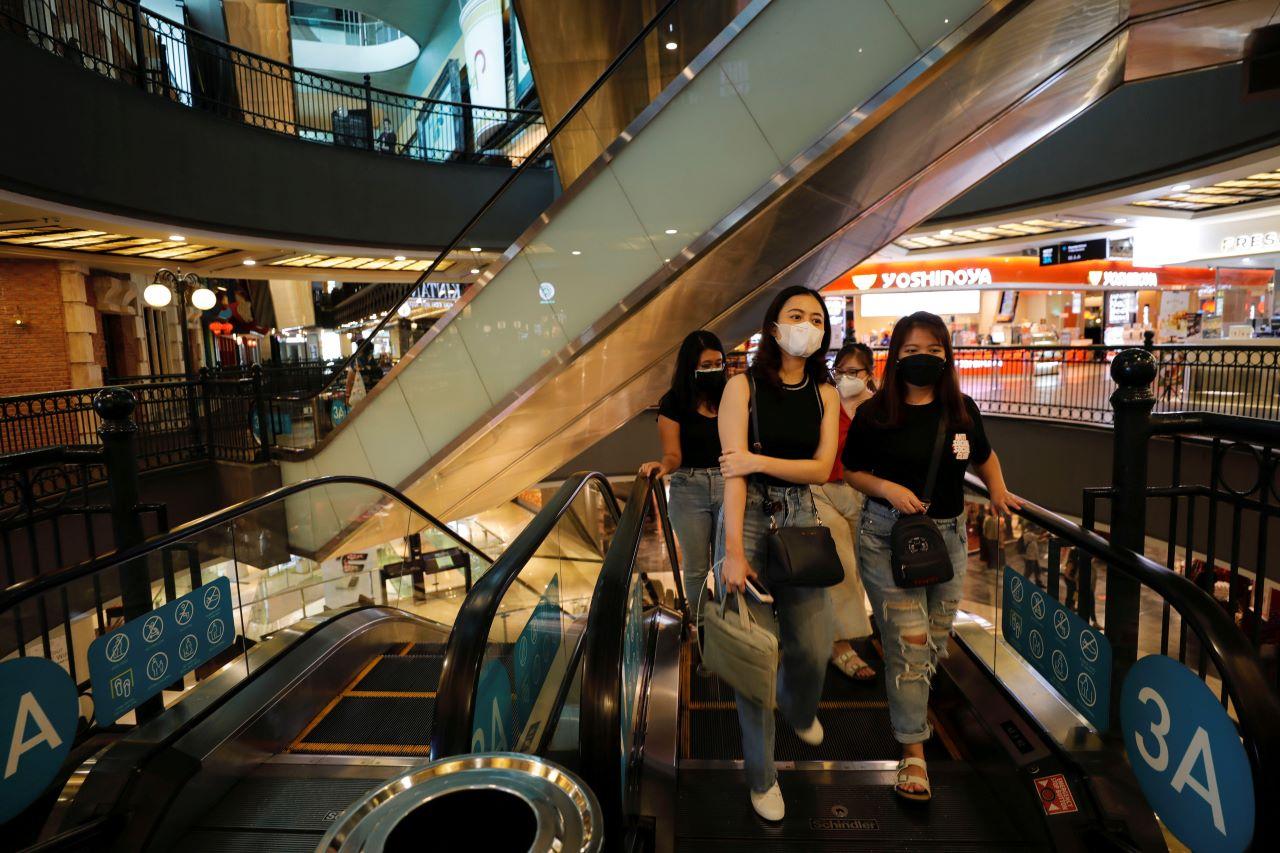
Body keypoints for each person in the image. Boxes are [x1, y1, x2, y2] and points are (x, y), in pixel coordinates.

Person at [843, 310, 1020, 802]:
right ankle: (914, 753)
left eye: (934, 351)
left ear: (947, 356)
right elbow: (852, 471)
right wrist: (888, 488)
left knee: (935, 642)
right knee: (910, 642)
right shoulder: (874, 414)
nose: (923, 359)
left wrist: (1000, 492)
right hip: (885, 535)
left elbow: (983, 456)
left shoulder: (961, 410)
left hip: (949, 537)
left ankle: (912, 703)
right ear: (895, 355)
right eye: (913, 351)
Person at [714, 286, 841, 821]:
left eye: (816, 319)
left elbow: (820, 469)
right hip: (751, 523)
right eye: (795, 316)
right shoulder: (740, 388)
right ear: (773, 326)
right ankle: (762, 777)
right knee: (755, 656)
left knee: (814, 647)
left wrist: (756, 462)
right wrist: (733, 552)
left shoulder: (825, 394)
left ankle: (798, 704)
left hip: (803, 522)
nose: (806, 326)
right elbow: (732, 476)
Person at [640, 331, 726, 623]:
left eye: (718, 363)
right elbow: (673, 455)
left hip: (730, 483)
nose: (714, 370)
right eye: (706, 365)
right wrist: (662, 466)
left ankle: (732, 627)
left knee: (727, 562)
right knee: (696, 567)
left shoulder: (730, 395)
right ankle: (702, 625)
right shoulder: (674, 402)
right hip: (690, 488)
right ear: (691, 367)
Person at [812, 343, 876, 681]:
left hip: (866, 497)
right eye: (842, 371)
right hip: (824, 491)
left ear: (869, 374)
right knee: (842, 566)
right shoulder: (827, 401)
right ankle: (840, 644)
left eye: (855, 372)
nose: (847, 378)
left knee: (866, 567)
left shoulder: (879, 409)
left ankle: (866, 630)